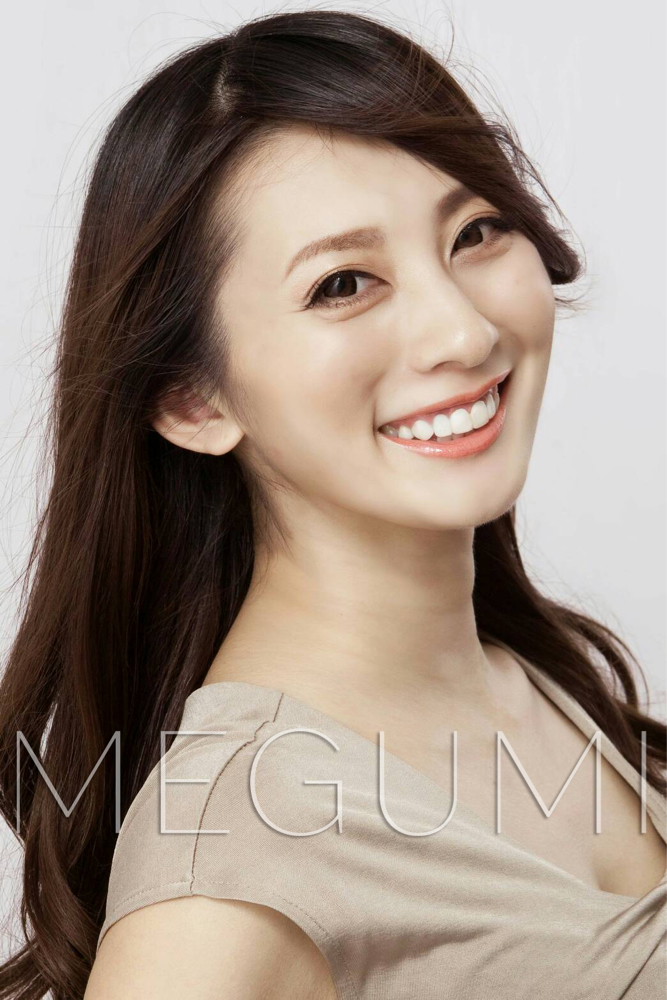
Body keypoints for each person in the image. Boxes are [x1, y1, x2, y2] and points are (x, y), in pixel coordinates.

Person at [0, 9, 665, 1000]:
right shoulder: (221, 880)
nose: (462, 330)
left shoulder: (533, 679)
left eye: (475, 231)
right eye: (343, 284)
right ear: (191, 399)